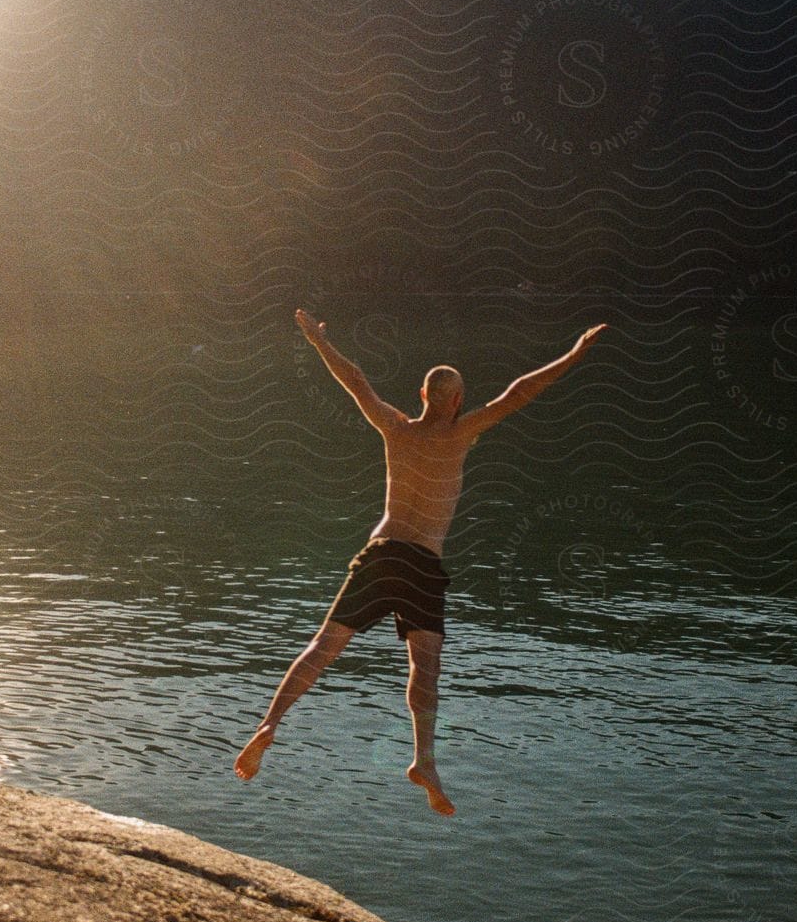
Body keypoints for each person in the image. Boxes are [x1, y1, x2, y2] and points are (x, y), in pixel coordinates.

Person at [234, 307, 609, 815]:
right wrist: (575, 353)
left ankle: (269, 724)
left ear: (422, 396)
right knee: (424, 668)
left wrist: (320, 342)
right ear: (457, 401)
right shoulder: (461, 432)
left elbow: (356, 381)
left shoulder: (395, 427)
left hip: (383, 551)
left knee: (323, 647)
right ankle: (423, 759)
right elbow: (519, 392)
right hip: (423, 565)